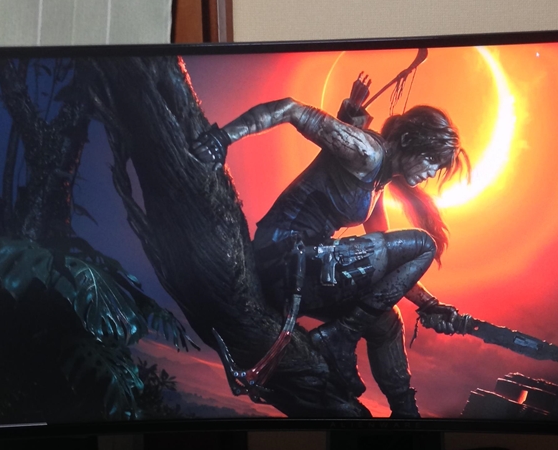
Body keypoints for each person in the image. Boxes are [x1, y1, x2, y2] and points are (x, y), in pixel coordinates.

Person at [192, 77, 469, 418]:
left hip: (305, 267)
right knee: (423, 244)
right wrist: (221, 138)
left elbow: (389, 263)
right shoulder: (367, 152)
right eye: (430, 160)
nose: (431, 172)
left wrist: (431, 305)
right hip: (282, 260)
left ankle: (405, 413)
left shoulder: (379, 182)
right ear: (408, 141)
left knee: (386, 321)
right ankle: (340, 337)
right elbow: (291, 109)